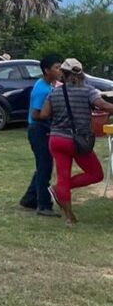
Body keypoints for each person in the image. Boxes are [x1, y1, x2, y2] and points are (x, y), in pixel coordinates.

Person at [41, 58, 113, 225]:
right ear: (81, 73)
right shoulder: (88, 90)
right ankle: (59, 188)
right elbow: (102, 105)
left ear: (63, 74)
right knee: (96, 174)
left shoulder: (54, 93)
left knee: (63, 176)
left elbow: (44, 114)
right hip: (77, 140)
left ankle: (69, 217)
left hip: (57, 139)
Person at [19, 55, 62, 216]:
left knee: (42, 167)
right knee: (45, 168)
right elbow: (36, 114)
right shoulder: (42, 89)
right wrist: (52, 116)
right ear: (47, 70)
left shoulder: (49, 85)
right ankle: (44, 205)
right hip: (38, 129)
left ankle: (29, 199)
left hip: (42, 129)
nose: (59, 71)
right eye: (57, 67)